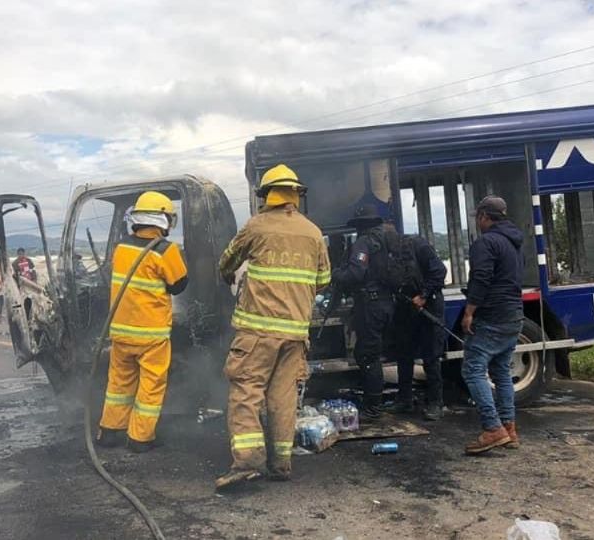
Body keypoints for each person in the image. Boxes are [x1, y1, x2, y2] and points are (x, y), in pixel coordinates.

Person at [214, 163, 330, 489]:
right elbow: (323, 281)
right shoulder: (313, 232)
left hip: (257, 332)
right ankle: (281, 464)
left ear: (266, 195)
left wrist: (229, 278)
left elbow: (227, 261)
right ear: (295, 194)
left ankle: (248, 462)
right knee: (282, 397)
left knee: (246, 392)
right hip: (295, 333)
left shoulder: (256, 227)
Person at [96, 191, 188, 453]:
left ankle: (110, 432)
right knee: (150, 385)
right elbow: (180, 285)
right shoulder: (165, 250)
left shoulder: (121, 248)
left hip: (121, 333)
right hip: (151, 335)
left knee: (119, 383)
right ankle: (140, 438)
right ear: (164, 220)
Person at [461, 196, 525, 455]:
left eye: (478, 216)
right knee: (500, 372)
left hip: (493, 316)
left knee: (473, 370)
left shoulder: (485, 243)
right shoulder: (513, 242)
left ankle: (492, 429)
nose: (478, 221)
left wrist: (469, 312)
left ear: (485, 216)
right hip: (514, 314)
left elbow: (481, 279)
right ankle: (509, 428)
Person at [330, 204, 396, 419]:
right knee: (370, 353)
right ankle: (378, 397)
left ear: (361, 225)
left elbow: (356, 275)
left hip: (371, 305)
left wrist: (337, 274)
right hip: (387, 303)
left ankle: (373, 407)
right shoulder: (386, 240)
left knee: (368, 355)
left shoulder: (364, 242)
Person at [388, 232, 449, 420]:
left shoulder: (419, 246)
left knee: (431, 357)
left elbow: (440, 272)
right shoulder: (391, 254)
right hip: (406, 308)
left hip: (428, 305)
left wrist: (423, 295)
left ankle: (436, 403)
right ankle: (405, 400)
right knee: (404, 355)